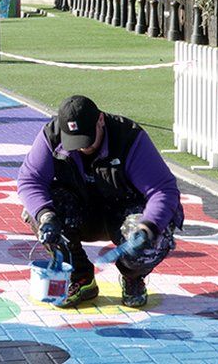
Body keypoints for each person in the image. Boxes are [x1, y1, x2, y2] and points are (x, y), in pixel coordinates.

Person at [17, 95, 184, 309]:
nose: (81, 148)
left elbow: (163, 189)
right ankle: (80, 276)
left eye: (87, 139)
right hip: (79, 209)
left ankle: (132, 277)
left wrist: (148, 226)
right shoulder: (51, 135)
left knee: (156, 237)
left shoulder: (129, 138)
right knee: (36, 212)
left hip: (123, 211)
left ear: (101, 121)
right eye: (74, 141)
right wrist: (46, 216)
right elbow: (30, 179)